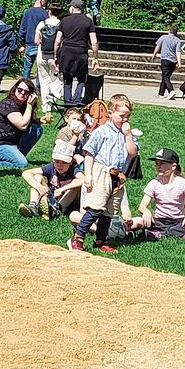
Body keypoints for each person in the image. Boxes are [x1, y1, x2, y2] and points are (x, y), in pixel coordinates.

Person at [69, 95, 138, 253]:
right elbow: (89, 153)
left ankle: (101, 240)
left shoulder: (127, 133)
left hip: (117, 175)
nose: (125, 119)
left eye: (128, 116)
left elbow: (132, 152)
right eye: (121, 116)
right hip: (102, 171)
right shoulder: (101, 132)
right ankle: (78, 237)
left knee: (109, 212)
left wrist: (128, 135)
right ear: (110, 112)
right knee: (96, 207)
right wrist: (88, 175)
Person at [128, 148, 185, 239]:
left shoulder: (183, 183)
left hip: (178, 220)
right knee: (137, 221)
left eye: (162, 164)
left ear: (173, 166)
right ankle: (179, 234)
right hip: (159, 220)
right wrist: (146, 211)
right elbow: (142, 206)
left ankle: (157, 234)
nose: (158, 167)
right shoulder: (154, 183)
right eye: (157, 164)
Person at [0, 79, 45, 170]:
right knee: (22, 164)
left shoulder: (22, 105)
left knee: (36, 129)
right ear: (15, 89)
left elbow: (25, 121)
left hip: (9, 142)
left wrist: (39, 120)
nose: (22, 93)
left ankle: (16, 156)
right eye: (20, 90)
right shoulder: (8, 104)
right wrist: (29, 105)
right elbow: (22, 125)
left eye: (26, 92)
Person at [22, 140, 85, 220]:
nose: (60, 165)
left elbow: (82, 179)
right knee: (38, 177)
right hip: (51, 195)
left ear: (71, 162)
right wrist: (38, 187)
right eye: (57, 161)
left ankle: (57, 210)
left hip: (66, 200)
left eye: (64, 162)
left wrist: (62, 189)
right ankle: (33, 206)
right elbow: (26, 173)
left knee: (75, 187)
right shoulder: (51, 167)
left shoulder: (74, 169)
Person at [54, 0, 97, 105]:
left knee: (67, 81)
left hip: (66, 52)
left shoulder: (64, 20)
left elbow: (58, 41)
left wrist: (56, 56)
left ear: (72, 7)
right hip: (81, 53)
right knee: (82, 79)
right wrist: (95, 58)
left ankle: (67, 104)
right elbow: (94, 42)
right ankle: (77, 100)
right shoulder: (88, 21)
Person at [34, 2, 63, 107]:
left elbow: (36, 41)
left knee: (44, 80)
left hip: (42, 55)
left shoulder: (42, 24)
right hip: (55, 56)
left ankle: (46, 105)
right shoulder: (61, 24)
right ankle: (54, 103)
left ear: (49, 11)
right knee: (56, 80)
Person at [18, 0, 50, 81]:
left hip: (29, 43)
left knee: (27, 68)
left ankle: (25, 85)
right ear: (41, 0)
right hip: (40, 44)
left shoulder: (27, 12)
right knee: (40, 68)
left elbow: (22, 28)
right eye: (44, 0)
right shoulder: (45, 13)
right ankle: (38, 88)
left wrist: (22, 43)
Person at [156, 23, 182, 98]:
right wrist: (179, 62)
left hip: (165, 59)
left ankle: (171, 91)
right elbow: (178, 52)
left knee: (165, 76)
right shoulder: (178, 40)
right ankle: (161, 93)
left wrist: (154, 54)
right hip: (173, 61)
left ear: (169, 30)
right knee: (166, 76)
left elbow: (158, 46)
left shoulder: (163, 37)